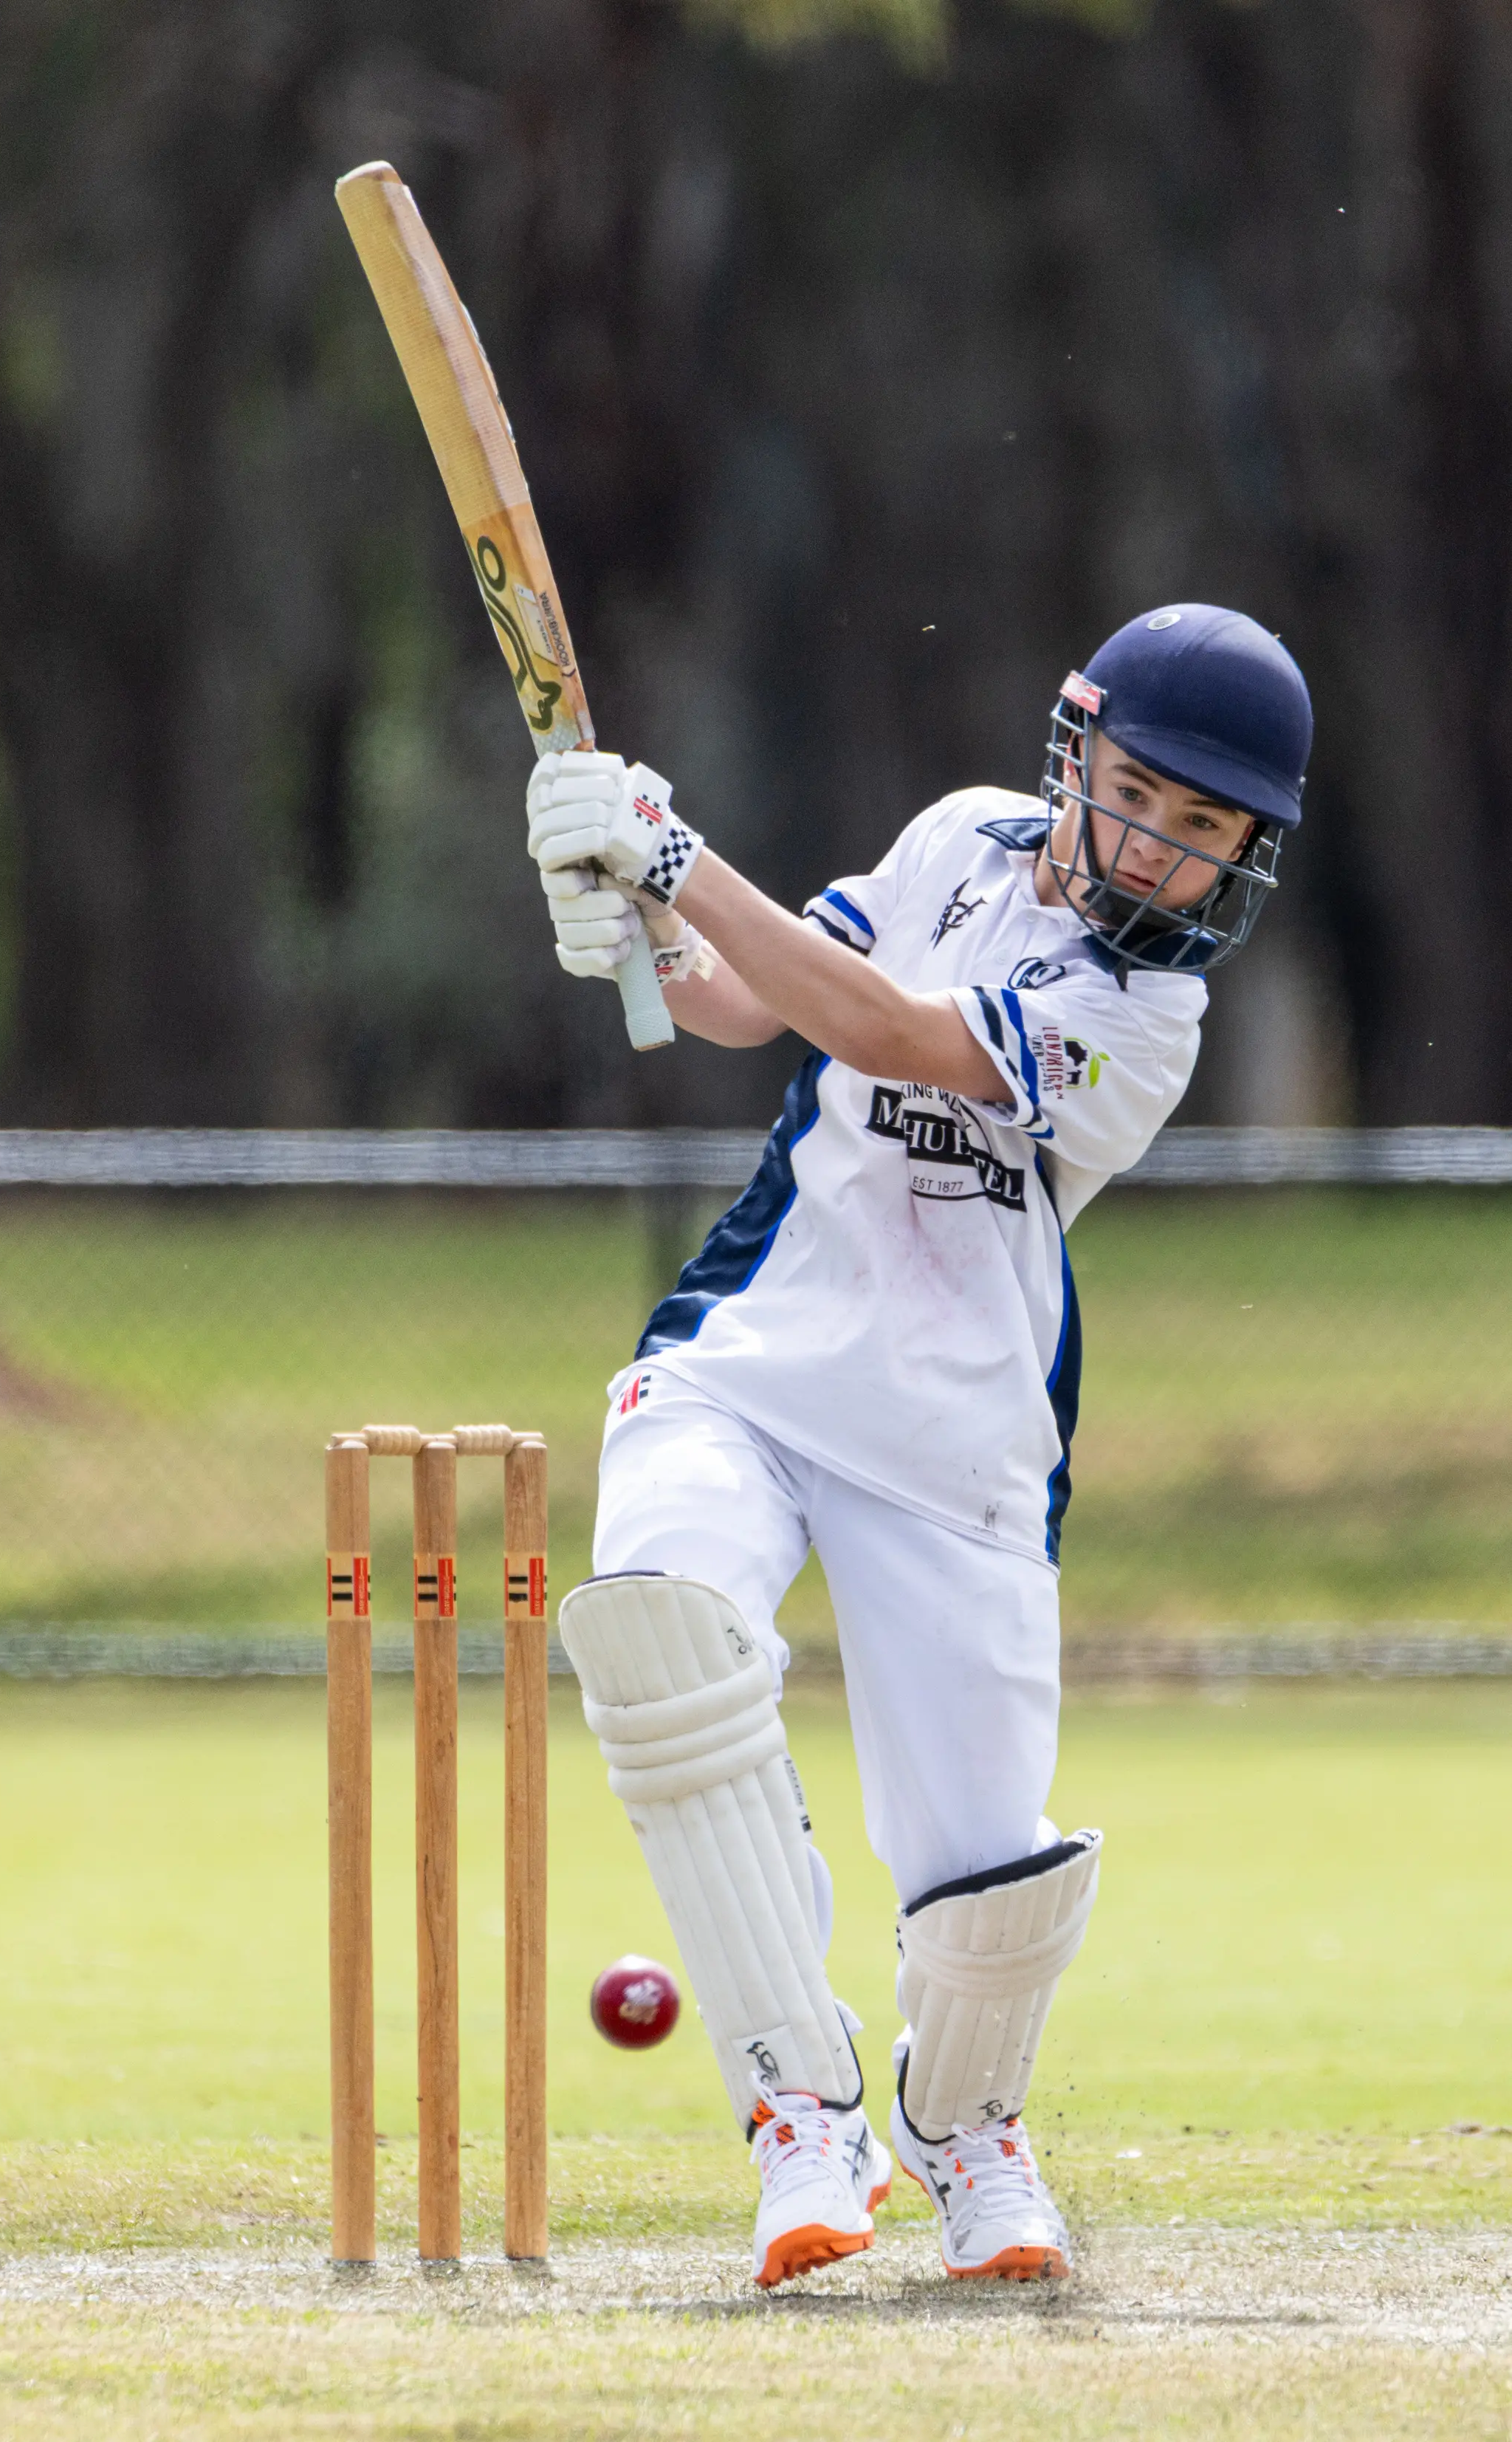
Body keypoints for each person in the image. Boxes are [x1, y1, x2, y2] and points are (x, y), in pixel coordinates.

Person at [526, 604, 1313, 2288]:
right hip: (751, 1356)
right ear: (1073, 754)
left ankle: (964, 2137)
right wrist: (637, 927)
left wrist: (673, 852)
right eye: (1141, 797)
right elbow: (762, 1001)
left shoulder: (1143, 1022)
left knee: (986, 1875)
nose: (1163, 852)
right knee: (656, 1631)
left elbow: (894, 1037)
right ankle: (796, 2113)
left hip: (957, 1437)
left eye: (1205, 834)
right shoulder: (961, 835)